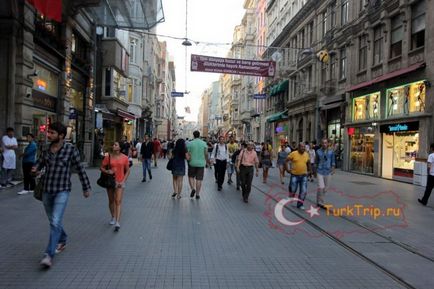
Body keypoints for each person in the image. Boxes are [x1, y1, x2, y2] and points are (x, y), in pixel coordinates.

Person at [32, 122, 91, 268]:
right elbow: (39, 163)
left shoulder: (71, 150)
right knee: (54, 221)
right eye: (49, 132)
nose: (49, 135)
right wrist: (35, 169)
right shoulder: (46, 149)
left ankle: (48, 255)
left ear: (61, 135)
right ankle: (63, 238)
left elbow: (80, 169)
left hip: (62, 190)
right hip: (47, 190)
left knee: (55, 220)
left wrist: (86, 188)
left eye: (52, 133)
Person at [100, 141, 130, 231]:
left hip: (120, 182)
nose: (113, 146)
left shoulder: (125, 158)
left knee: (118, 201)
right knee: (111, 201)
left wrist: (123, 181)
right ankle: (113, 216)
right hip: (110, 181)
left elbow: (128, 171)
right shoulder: (108, 157)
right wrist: (107, 171)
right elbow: (101, 167)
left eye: (115, 145)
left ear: (120, 147)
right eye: (113, 144)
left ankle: (117, 222)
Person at [285, 142, 311, 209]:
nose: (303, 148)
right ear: (298, 147)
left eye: (304, 147)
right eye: (301, 147)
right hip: (294, 175)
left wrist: (310, 171)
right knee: (293, 189)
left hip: (304, 175)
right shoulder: (294, 153)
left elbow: (308, 163)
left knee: (303, 191)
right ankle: (291, 195)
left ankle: (300, 204)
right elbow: (286, 160)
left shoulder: (306, 154)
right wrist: (287, 169)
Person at [187, 131, 209, 199]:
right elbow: (206, 153)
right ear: (199, 135)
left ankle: (193, 189)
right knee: (199, 179)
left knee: (191, 177)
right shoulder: (204, 143)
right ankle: (197, 194)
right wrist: (206, 161)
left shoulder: (190, 143)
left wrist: (188, 160)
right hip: (201, 164)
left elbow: (188, 154)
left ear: (193, 136)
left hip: (192, 163)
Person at [315, 138, 336, 209]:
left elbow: (333, 161)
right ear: (321, 143)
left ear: (327, 143)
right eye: (323, 143)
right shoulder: (318, 151)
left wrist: (333, 169)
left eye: (325, 143)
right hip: (320, 171)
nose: (324, 144)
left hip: (328, 171)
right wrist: (314, 171)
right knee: (321, 187)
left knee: (325, 188)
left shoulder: (331, 152)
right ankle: (321, 202)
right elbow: (316, 162)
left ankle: (318, 200)